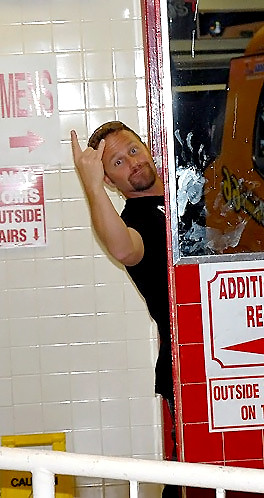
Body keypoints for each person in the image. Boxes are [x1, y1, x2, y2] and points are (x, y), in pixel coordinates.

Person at [70, 122, 178, 497]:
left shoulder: (188, 195)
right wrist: (91, 187)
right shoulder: (137, 222)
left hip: (232, 365)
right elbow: (122, 249)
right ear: (111, 182)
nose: (131, 163)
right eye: (117, 162)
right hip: (186, 369)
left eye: (133, 150)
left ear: (149, 148)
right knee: (192, 477)